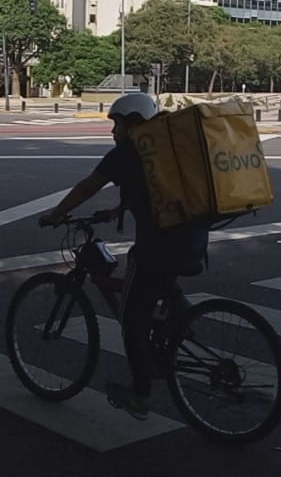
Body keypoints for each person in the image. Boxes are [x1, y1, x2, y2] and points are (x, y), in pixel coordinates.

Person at [38, 92, 209, 420]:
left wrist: (57, 213)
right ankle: (181, 320)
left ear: (132, 124)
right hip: (193, 241)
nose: (112, 132)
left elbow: (87, 187)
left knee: (132, 318)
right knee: (159, 282)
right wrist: (117, 209)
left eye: (116, 124)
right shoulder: (166, 152)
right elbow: (155, 191)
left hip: (156, 250)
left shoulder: (125, 154)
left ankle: (140, 395)